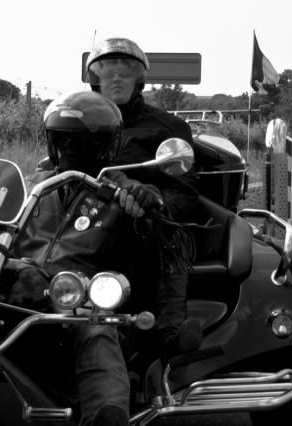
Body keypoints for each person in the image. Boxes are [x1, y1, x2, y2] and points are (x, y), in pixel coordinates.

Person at [13, 91, 164, 426]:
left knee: (96, 327)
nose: (70, 148)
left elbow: (157, 234)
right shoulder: (31, 185)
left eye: (84, 141)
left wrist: (144, 208)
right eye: (62, 139)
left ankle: (105, 424)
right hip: (17, 288)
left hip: (77, 299)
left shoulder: (124, 191)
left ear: (109, 145)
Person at [86, 37, 205, 365]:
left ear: (139, 79)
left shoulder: (168, 127)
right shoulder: (81, 122)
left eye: (125, 71)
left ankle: (169, 334)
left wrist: (155, 204)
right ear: (95, 78)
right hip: (85, 220)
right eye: (108, 70)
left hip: (140, 224)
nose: (116, 77)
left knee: (169, 233)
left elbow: (184, 191)